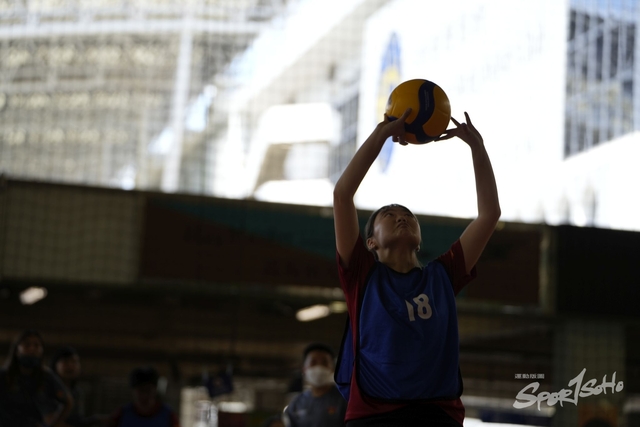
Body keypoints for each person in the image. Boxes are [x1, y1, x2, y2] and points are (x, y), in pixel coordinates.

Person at [332, 110, 501, 427]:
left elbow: (489, 214)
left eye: (408, 215)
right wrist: (382, 134)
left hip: (436, 413)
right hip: (374, 414)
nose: (401, 217)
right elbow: (342, 195)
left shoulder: (443, 274)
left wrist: (477, 148)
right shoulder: (361, 274)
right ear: (371, 242)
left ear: (420, 240)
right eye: (389, 215)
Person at [0, 329, 74, 427]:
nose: (32, 349)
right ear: (17, 350)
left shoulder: (46, 377)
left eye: (37, 345)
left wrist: (54, 424)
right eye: (27, 345)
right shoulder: (4, 376)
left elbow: (68, 401)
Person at [283, 343, 347, 427]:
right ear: (304, 369)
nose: (319, 367)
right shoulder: (296, 404)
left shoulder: (344, 400)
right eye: (313, 362)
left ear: (332, 368)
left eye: (324, 362)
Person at [106, 366, 180, 427]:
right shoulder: (120, 415)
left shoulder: (169, 416)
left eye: (148, 390)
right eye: (141, 390)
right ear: (133, 391)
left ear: (155, 390)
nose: (145, 395)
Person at [50, 346, 105, 427]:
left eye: (74, 362)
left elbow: (77, 421)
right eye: (66, 362)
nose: (70, 366)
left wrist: (95, 420)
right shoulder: (49, 392)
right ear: (55, 365)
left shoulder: (77, 393)